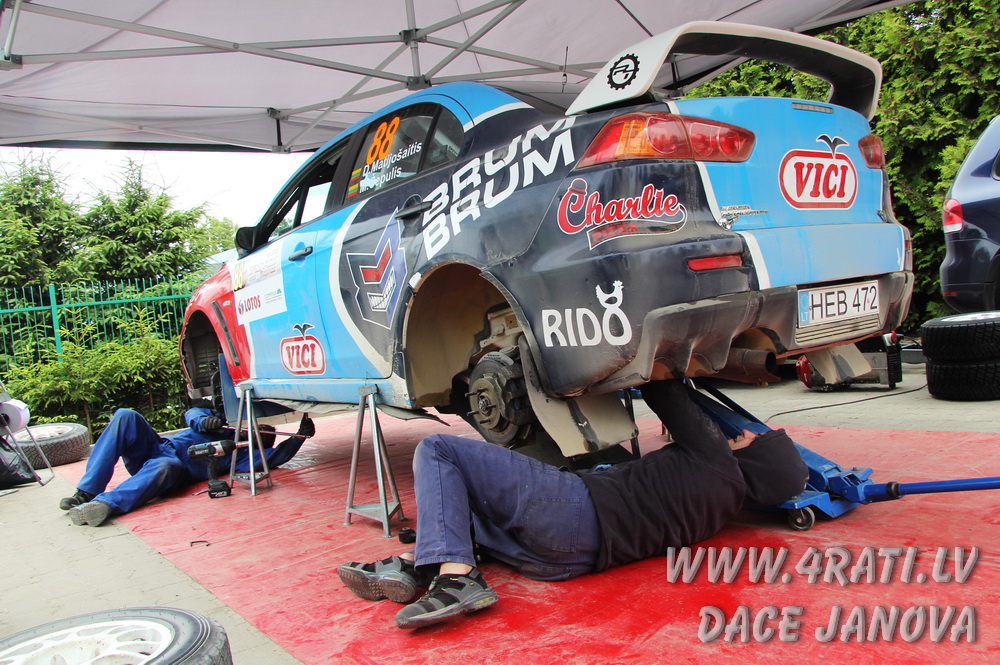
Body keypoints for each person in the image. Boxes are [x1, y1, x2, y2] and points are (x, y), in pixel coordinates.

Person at [337, 379, 808, 629]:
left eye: (757, 439)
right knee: (470, 504)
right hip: (564, 562)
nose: (745, 434)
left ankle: (456, 579)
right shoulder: (722, 509)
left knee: (439, 450)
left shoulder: (717, 462)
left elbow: (662, 387)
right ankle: (412, 566)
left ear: (760, 461)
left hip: (574, 511)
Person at [60, 400, 314, 526]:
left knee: (164, 467)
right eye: (258, 428)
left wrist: (299, 437)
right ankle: (86, 492)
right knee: (126, 416)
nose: (255, 433)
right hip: (156, 447)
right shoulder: (220, 424)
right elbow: (192, 412)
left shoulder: (241, 457)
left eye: (261, 436)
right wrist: (204, 421)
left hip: (172, 470)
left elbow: (276, 457)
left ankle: (104, 505)